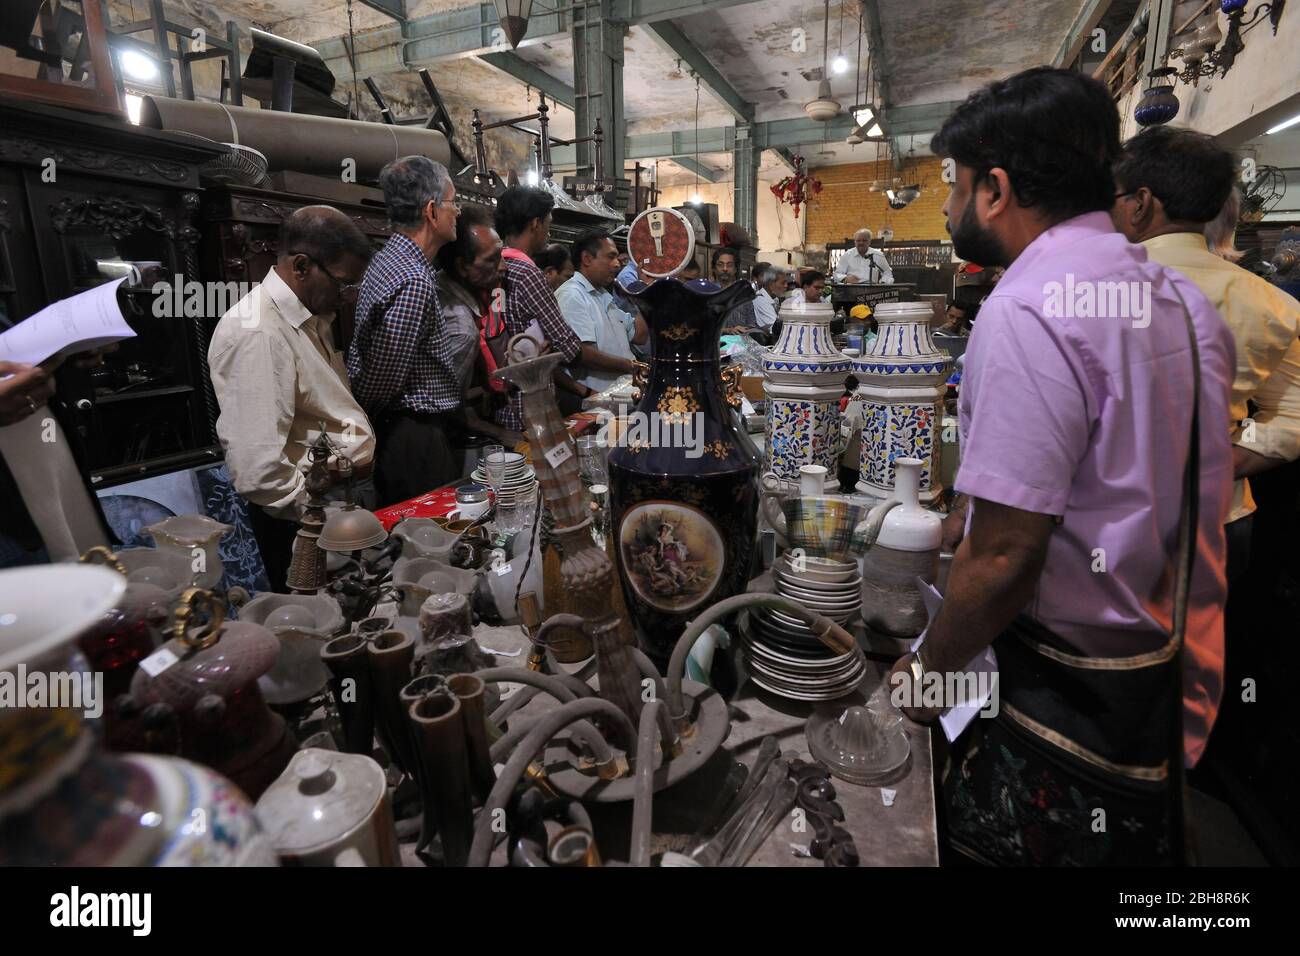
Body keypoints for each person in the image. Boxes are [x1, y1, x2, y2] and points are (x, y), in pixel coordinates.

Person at [890, 67, 1234, 866]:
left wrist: (924, 677)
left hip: (1060, 691)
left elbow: (1008, 557)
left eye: (955, 186)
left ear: (996, 190)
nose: (947, 209)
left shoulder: (1026, 307)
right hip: (1162, 667)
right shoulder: (1180, 302)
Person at [1111, 126, 1300, 577]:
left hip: (1111, 525)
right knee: (1207, 646)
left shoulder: (1085, 291)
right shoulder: (1272, 302)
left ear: (1140, 203)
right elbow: (1292, 416)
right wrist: (1229, 453)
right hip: (1220, 517)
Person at [210, 205, 376, 590]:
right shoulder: (258, 332)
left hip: (333, 496)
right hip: (302, 516)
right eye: (343, 284)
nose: (347, 297)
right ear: (302, 266)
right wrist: (319, 516)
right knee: (321, 624)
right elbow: (259, 469)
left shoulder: (309, 316)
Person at [347, 156, 462, 508]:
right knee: (428, 537)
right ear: (431, 210)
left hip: (402, 429)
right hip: (410, 436)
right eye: (453, 202)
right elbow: (381, 378)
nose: (457, 211)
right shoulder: (412, 279)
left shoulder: (389, 259)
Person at [492, 186, 590, 425]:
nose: (549, 232)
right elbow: (567, 346)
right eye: (548, 223)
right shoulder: (527, 272)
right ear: (535, 223)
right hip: (528, 402)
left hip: (500, 399)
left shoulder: (495, 263)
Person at [433, 203, 523, 449]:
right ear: (463, 267)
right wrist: (497, 431)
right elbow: (444, 406)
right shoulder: (462, 329)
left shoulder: (440, 282)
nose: (503, 267)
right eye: (493, 260)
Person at [556, 230, 649, 393]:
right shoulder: (572, 295)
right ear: (587, 259)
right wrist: (631, 366)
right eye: (610, 257)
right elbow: (584, 354)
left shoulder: (603, 295)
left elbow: (639, 336)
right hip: (599, 401)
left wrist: (647, 291)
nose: (617, 264)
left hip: (623, 394)